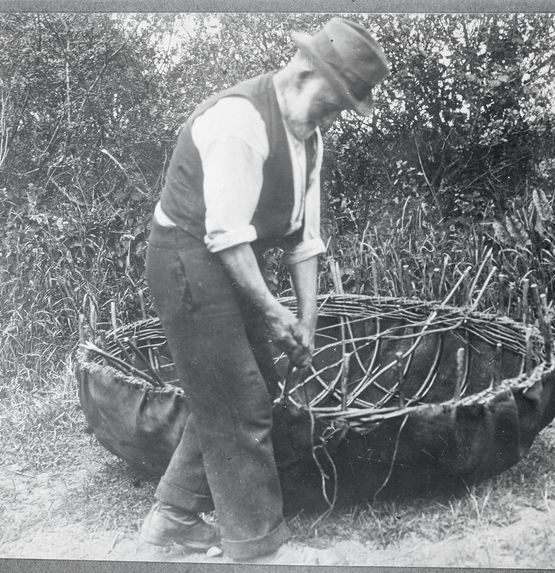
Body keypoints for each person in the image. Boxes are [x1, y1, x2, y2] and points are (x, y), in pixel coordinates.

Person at [140, 17, 389, 565]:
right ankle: (256, 549)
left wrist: (306, 318)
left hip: (226, 257)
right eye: (336, 99)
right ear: (304, 73)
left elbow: (304, 238)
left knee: (243, 388)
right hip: (186, 258)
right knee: (239, 399)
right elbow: (226, 236)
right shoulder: (240, 121)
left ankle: (173, 521)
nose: (338, 113)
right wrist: (274, 314)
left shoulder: (309, 139)